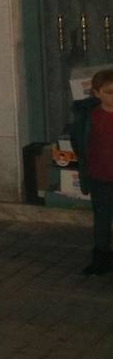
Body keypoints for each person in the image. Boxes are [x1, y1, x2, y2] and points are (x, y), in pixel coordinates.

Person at [70, 69, 113, 275]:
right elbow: (79, 141)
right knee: (102, 219)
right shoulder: (89, 117)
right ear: (96, 93)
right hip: (100, 177)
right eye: (109, 92)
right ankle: (101, 260)